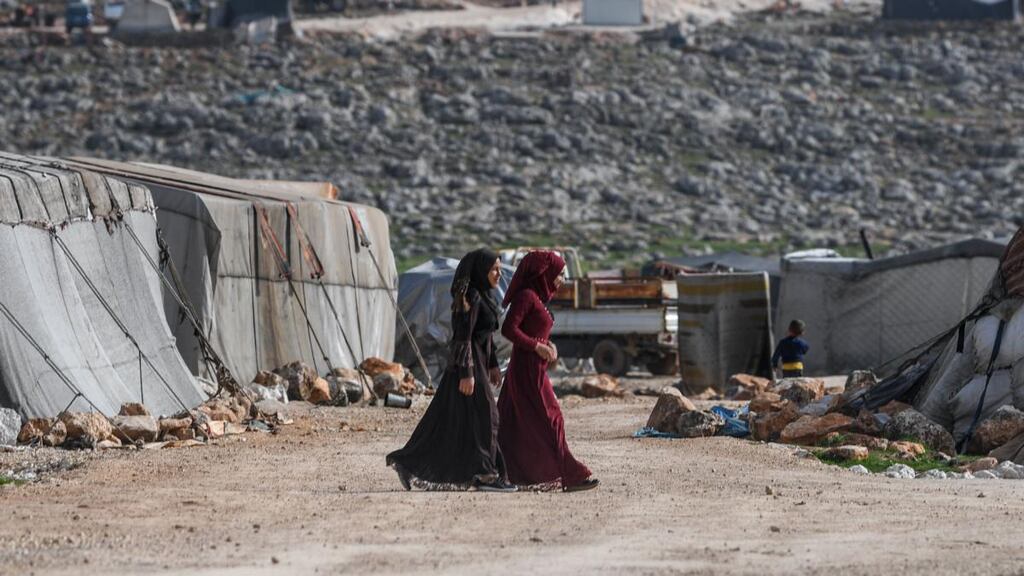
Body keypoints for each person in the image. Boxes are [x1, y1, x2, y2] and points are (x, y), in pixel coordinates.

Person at [386, 249, 515, 492]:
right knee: (488, 418)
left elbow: (484, 337)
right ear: (481, 271)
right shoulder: (471, 298)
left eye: (499, 268)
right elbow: (462, 338)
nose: (499, 274)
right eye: (494, 269)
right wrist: (467, 373)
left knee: (445, 420)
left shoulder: (484, 297)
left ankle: (408, 463)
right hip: (467, 368)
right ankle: (486, 475)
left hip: (475, 365)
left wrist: (493, 364)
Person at [498, 251, 599, 493]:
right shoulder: (526, 297)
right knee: (551, 419)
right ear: (545, 273)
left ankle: (502, 472)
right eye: (560, 274)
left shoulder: (538, 299)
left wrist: (547, 345)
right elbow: (508, 329)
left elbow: (533, 331)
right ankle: (570, 474)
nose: (562, 279)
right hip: (527, 372)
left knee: (511, 424)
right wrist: (538, 346)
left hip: (534, 369)